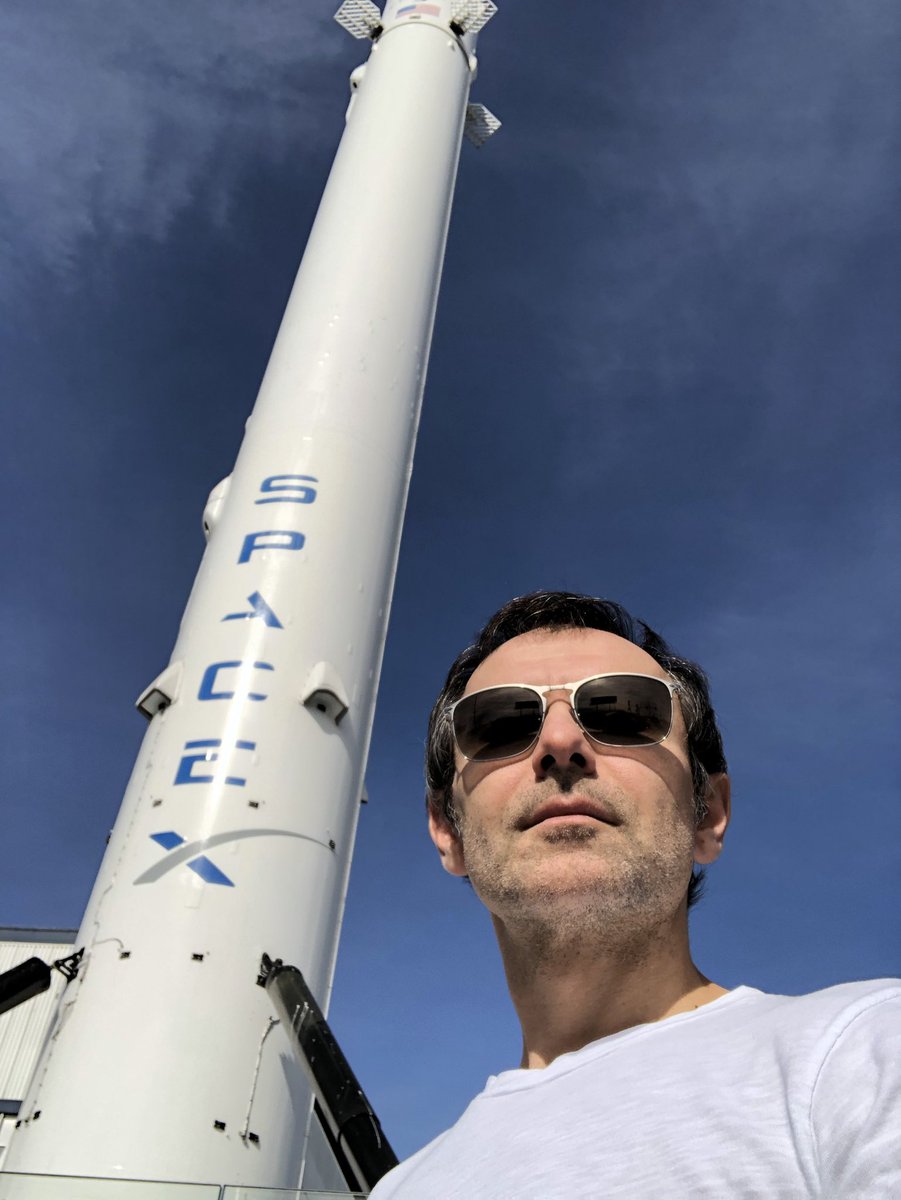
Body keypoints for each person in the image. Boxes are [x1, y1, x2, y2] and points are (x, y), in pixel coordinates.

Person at [369, 591, 900, 1199]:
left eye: (623, 712)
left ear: (709, 814)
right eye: (500, 723)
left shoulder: (864, 1053)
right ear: (447, 830)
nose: (560, 741)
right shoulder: (401, 1189)